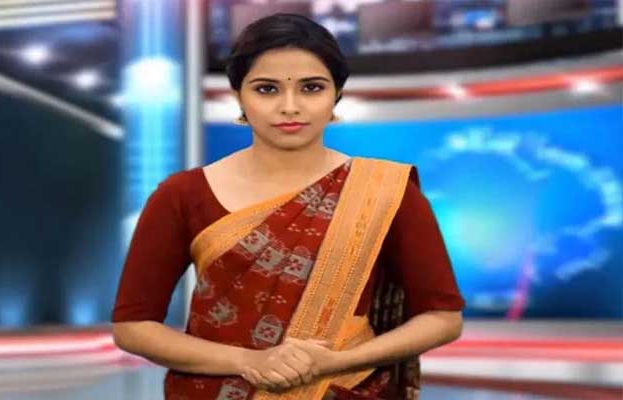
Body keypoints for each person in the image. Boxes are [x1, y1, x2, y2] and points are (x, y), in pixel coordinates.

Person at [111, 13, 465, 400]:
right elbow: (134, 327)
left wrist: (338, 361)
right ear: (239, 97)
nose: (290, 106)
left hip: (345, 387)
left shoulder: (385, 191)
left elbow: (442, 318)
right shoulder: (181, 194)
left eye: (312, 88)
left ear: (336, 96)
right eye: (267, 89)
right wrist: (249, 361)